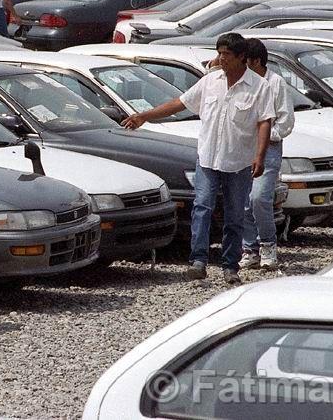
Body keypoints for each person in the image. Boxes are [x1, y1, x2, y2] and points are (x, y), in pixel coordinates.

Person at [122, 33, 274, 285]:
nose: (220, 59)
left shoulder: (259, 87)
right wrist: (145, 116)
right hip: (207, 159)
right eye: (219, 53)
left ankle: (230, 266)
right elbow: (179, 103)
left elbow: (264, 122)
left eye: (226, 54)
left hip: (238, 163)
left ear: (241, 57)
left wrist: (260, 156)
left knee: (235, 215)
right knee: (202, 207)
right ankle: (198, 261)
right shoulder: (210, 81)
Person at [239, 39, 294, 271]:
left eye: (245, 61)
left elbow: (286, 121)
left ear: (256, 61)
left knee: (260, 197)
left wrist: (264, 133)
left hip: (269, 148)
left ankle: (268, 244)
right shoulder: (241, 82)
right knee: (243, 201)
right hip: (242, 147)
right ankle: (249, 249)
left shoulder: (276, 83)